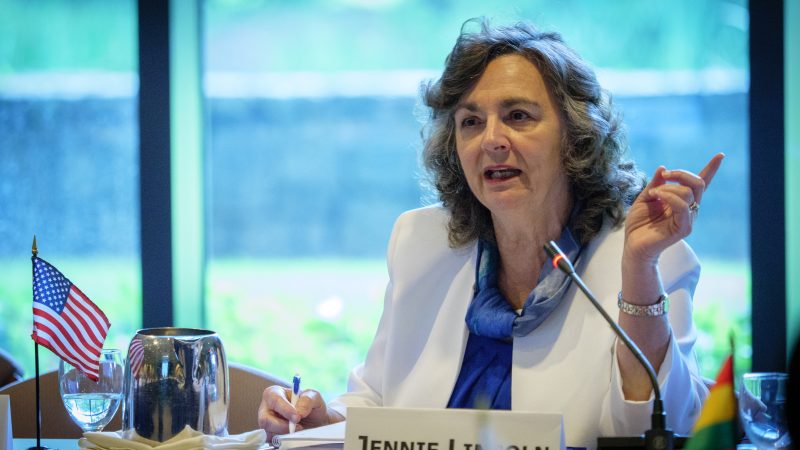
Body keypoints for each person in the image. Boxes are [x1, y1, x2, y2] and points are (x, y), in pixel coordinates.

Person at [258, 19, 723, 448]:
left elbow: (653, 429)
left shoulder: (645, 255)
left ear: (575, 135)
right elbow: (376, 400)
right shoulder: (421, 242)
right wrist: (321, 421)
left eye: (518, 116)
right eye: (471, 122)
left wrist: (640, 269)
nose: (491, 140)